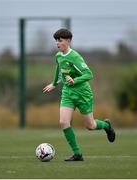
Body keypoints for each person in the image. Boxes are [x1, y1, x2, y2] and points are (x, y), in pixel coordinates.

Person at [43, 28, 115, 161]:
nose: (57, 43)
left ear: (68, 41)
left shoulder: (75, 57)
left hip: (82, 93)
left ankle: (106, 126)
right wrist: (54, 83)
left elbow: (89, 74)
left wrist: (74, 80)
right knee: (63, 122)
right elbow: (58, 68)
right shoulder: (58, 56)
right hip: (68, 93)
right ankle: (77, 154)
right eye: (56, 41)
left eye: (60, 40)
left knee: (90, 126)